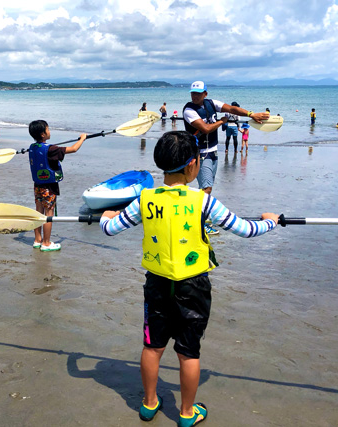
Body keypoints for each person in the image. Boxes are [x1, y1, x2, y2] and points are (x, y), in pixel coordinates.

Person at [100, 131, 279, 426]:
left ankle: (148, 404)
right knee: (188, 352)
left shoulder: (144, 199)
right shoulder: (203, 201)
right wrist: (270, 221)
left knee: (152, 346)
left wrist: (107, 217)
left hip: (156, 284)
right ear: (193, 165)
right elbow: (246, 229)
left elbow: (110, 229)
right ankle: (186, 413)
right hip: (193, 287)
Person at [183, 81, 269, 235]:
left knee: (207, 188)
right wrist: (222, 121)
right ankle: (199, 224)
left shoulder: (211, 103)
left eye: (198, 93)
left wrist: (251, 114)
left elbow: (231, 108)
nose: (195, 96)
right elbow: (206, 128)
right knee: (206, 189)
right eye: (193, 93)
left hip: (213, 151)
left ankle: (196, 219)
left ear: (205, 94)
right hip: (200, 153)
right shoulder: (189, 110)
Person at [28, 120, 87, 252]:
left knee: (38, 212)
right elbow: (74, 149)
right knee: (48, 214)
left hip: (37, 185)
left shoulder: (32, 147)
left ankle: (37, 240)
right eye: (48, 129)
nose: (49, 131)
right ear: (43, 134)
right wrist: (82, 138)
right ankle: (46, 243)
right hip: (49, 187)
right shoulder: (51, 149)